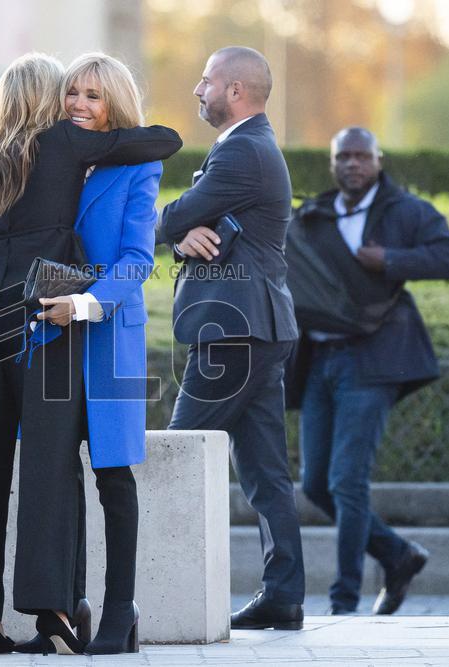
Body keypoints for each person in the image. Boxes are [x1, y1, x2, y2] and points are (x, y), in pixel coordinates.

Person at [0, 52, 181, 656]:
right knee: (39, 468)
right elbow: (163, 137)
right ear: (50, 101)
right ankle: (53, 612)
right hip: (43, 324)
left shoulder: (8, 159)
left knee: (80, 471)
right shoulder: (49, 149)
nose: (78, 105)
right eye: (70, 93)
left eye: (92, 95)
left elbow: (138, 256)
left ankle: (99, 613)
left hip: (85, 326)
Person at [286, 127, 449, 615]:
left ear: (377, 160)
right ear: (332, 163)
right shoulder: (317, 212)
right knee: (316, 485)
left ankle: (343, 601)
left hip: (374, 358)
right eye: (342, 156)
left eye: (361, 156)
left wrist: (391, 259)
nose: (352, 164)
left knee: (347, 481)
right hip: (319, 359)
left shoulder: (404, 210)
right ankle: (397, 553)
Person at [155, 46, 306, 631]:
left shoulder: (243, 150)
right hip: (255, 330)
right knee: (266, 473)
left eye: (206, 80)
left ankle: (154, 596)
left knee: (175, 457)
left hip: (234, 334)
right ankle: (283, 595)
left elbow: (177, 214)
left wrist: (176, 226)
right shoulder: (249, 147)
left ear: (236, 90)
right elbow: (196, 224)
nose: (198, 90)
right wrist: (185, 232)